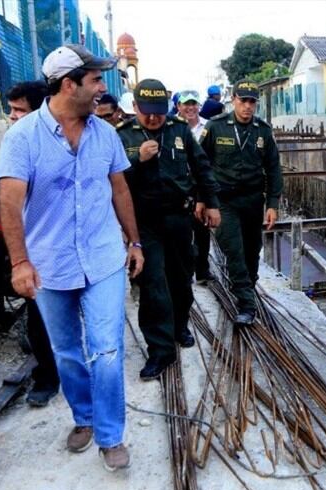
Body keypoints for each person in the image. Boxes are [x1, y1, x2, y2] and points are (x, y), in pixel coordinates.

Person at [0, 44, 143, 471]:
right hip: (50, 264)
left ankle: (111, 436)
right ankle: (85, 418)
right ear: (67, 84)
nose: (102, 88)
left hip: (102, 260)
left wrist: (134, 243)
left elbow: (119, 190)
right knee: (67, 352)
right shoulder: (23, 138)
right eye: (95, 80)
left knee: (108, 350)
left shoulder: (106, 134)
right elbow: (9, 199)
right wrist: (20, 263)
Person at [118, 79, 220, 380]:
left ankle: (179, 326)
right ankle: (160, 351)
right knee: (152, 285)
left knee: (180, 278)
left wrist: (210, 202)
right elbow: (111, 178)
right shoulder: (122, 136)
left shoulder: (178, 130)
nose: (153, 118)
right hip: (144, 222)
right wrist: (138, 159)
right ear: (135, 107)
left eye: (158, 112)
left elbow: (201, 167)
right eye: (146, 111)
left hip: (179, 217)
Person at [201, 80, 282, 325]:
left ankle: (247, 285)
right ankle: (247, 305)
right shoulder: (216, 127)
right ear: (233, 99)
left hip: (252, 200)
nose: (247, 106)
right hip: (225, 201)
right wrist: (203, 200)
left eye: (252, 102)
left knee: (251, 250)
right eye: (242, 100)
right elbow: (201, 165)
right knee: (234, 251)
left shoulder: (262, 131)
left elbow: (273, 168)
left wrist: (273, 204)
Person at [3, 80, 59, 407]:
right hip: (33, 247)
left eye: (18, 111)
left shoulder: (61, 144)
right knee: (38, 315)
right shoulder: (14, 144)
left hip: (63, 246)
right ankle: (47, 378)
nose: (11, 117)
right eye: (10, 110)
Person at [176, 90, 213, 283]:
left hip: (200, 183)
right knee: (182, 229)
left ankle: (202, 270)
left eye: (193, 104)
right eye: (186, 104)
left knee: (202, 228)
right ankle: (185, 270)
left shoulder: (208, 126)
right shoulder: (171, 127)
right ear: (178, 107)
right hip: (179, 185)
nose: (190, 108)